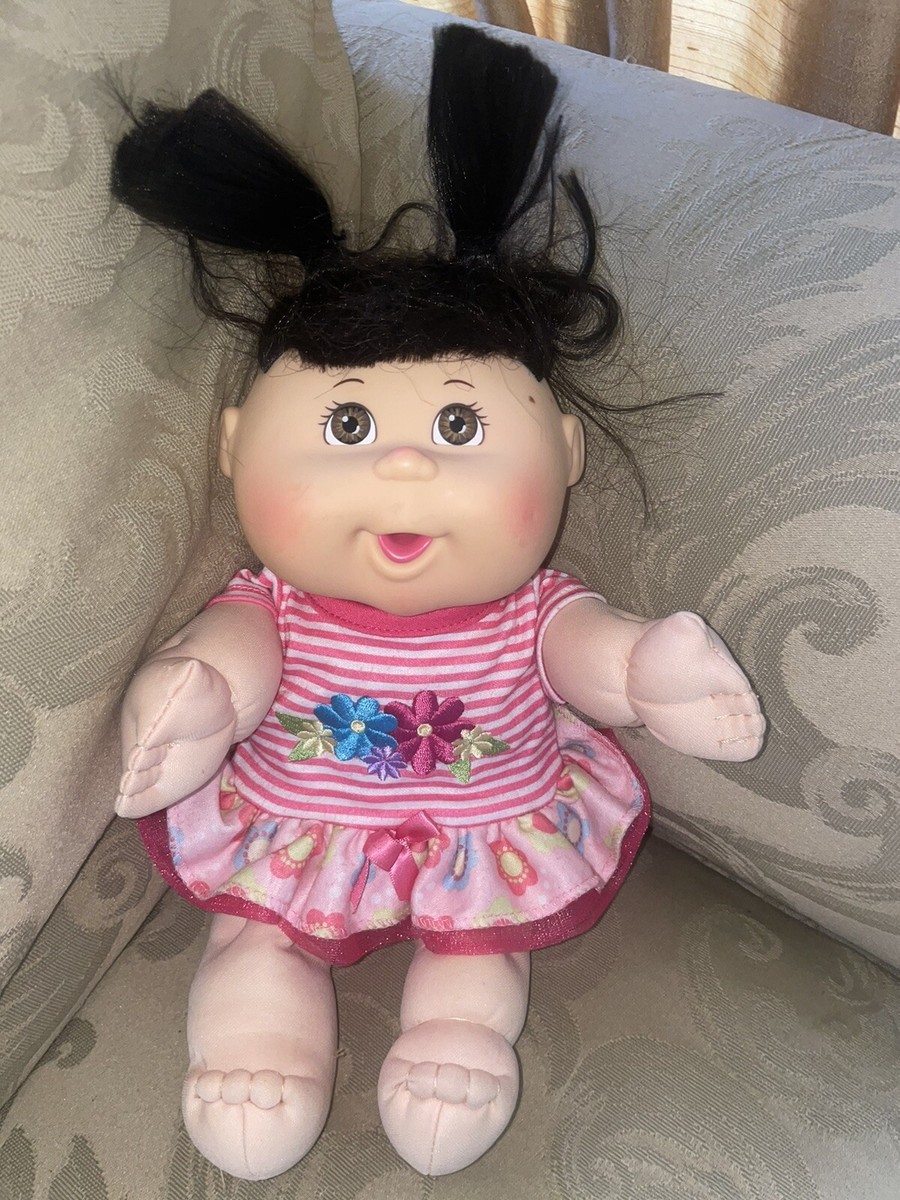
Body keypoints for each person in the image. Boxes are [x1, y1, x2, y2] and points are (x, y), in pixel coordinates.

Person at [112, 23, 765, 1181]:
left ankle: (457, 1041)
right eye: (348, 425)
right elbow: (233, 657)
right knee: (257, 941)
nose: (405, 464)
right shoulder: (277, 600)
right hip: (296, 828)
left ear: (564, 454)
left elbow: (587, 652)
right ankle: (259, 1044)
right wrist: (196, 698)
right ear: (235, 448)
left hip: (489, 832)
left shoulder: (528, 607)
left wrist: (648, 672)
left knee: (478, 953)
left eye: (460, 425)